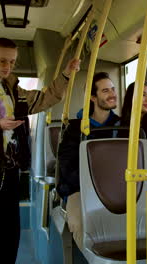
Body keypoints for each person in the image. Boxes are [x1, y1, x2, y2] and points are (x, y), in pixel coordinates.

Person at [0, 37, 80, 264]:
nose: (7, 67)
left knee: (11, 231)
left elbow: (46, 98)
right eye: (2, 61)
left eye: (12, 62)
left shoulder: (15, 91)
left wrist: (66, 75)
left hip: (12, 169)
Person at [57, 72, 119, 249]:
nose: (112, 94)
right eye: (105, 90)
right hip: (80, 189)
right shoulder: (76, 129)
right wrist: (91, 184)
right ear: (93, 97)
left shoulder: (122, 126)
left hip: (115, 187)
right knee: (80, 223)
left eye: (113, 89)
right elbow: (67, 166)